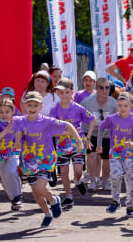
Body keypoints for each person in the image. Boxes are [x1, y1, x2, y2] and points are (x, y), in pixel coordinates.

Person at [13, 91, 83, 227]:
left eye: (35, 105)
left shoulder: (46, 121)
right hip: (29, 161)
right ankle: (48, 213)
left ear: (41, 106)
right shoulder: (19, 121)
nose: (32, 108)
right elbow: (17, 146)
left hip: (46, 158)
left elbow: (69, 126)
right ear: (25, 106)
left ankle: (53, 200)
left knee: (40, 187)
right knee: (36, 193)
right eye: (29, 105)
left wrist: (79, 142)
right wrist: (17, 138)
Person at [49, 78, 97, 207]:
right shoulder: (54, 110)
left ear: (72, 93)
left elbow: (92, 120)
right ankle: (69, 196)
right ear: (57, 93)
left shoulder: (78, 108)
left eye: (67, 92)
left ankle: (77, 180)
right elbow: (51, 130)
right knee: (64, 172)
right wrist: (68, 133)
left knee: (78, 169)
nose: (64, 95)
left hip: (78, 145)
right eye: (61, 93)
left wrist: (88, 137)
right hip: (62, 146)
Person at [97, 92, 133, 218]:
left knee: (131, 180)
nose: (122, 108)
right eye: (120, 105)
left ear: (131, 106)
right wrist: (99, 144)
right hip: (115, 153)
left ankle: (130, 205)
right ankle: (115, 201)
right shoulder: (112, 118)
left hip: (131, 155)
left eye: (126, 106)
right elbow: (101, 128)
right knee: (115, 175)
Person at [81, 78, 117, 191]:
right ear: (96, 89)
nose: (104, 90)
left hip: (106, 133)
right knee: (92, 155)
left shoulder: (113, 103)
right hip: (90, 131)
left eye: (107, 88)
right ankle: (93, 179)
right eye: (101, 88)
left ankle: (105, 181)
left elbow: (118, 120)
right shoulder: (87, 102)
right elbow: (79, 115)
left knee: (106, 158)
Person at [0, 98, 22, 211]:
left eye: (7, 112)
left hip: (13, 153)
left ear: (13, 111)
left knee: (11, 172)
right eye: (1, 112)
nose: (4, 115)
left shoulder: (17, 122)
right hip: (0, 155)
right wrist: (6, 130)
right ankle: (13, 199)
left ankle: (18, 196)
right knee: (4, 181)